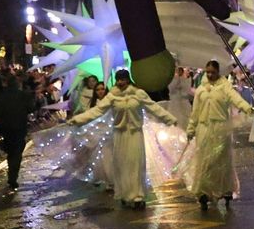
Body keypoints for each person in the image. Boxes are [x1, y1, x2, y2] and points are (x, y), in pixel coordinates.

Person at [68, 68, 180, 208]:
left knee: (136, 165)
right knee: (122, 166)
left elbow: (153, 107)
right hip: (119, 135)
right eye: (118, 79)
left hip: (135, 134)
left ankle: (138, 195)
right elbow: (96, 111)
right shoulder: (112, 96)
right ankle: (124, 194)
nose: (120, 82)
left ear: (128, 79)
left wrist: (169, 119)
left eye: (123, 79)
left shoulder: (138, 94)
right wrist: (78, 119)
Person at [186, 60, 254, 210]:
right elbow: (195, 112)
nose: (210, 74)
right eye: (208, 72)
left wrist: (247, 108)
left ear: (218, 72)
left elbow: (235, 98)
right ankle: (204, 192)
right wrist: (191, 129)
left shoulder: (225, 87)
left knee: (220, 161)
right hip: (204, 129)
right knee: (205, 162)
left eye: (213, 72)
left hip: (220, 129)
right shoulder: (201, 90)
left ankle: (225, 189)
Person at [0, 75, 38, 192]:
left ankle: (12, 174)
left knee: (11, 152)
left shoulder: (0, 97)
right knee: (16, 152)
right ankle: (13, 176)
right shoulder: (24, 96)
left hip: (5, 128)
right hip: (19, 127)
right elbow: (31, 108)